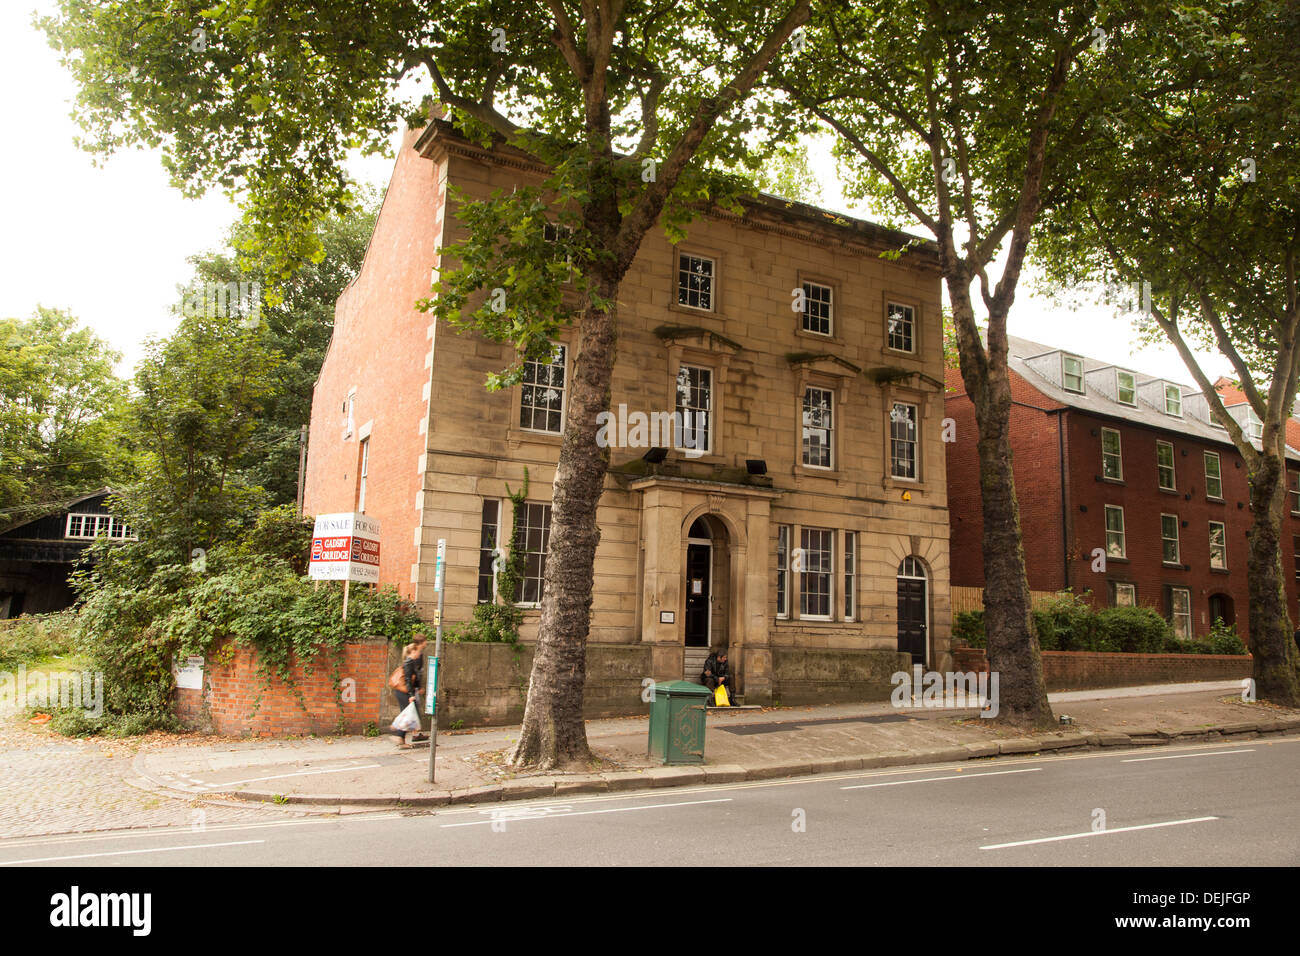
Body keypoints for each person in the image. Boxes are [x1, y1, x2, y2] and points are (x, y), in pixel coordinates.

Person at [390, 642, 423, 748]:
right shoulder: (409, 662)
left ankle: (400, 737)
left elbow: (414, 678)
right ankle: (397, 731)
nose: (419, 653)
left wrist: (418, 688)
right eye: (418, 651)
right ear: (413, 651)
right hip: (404, 692)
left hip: (405, 692)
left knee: (408, 714)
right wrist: (411, 695)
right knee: (409, 714)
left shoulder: (412, 662)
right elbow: (408, 680)